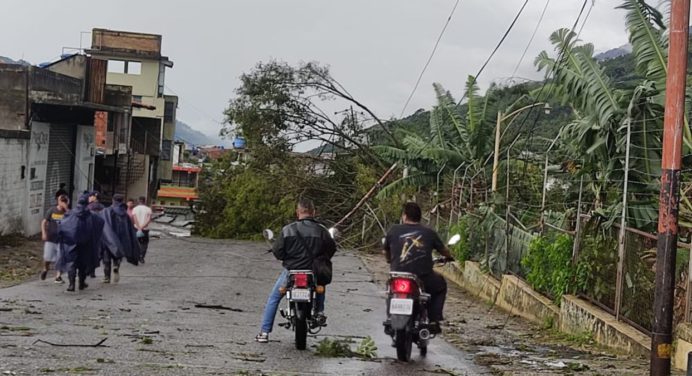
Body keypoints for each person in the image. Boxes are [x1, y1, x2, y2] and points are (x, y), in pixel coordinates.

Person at [255, 198, 337, 343]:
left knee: (274, 298)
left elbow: (278, 252)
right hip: (313, 272)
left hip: (291, 271)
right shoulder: (322, 230)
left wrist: (288, 259)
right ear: (313, 212)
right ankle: (319, 311)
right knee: (321, 286)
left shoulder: (288, 230)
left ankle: (264, 333)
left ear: (298, 212)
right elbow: (331, 250)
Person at [383, 202, 453, 334]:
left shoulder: (393, 230)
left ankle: (390, 317)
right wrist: (449, 257)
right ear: (420, 217)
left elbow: (385, 251)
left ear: (404, 216)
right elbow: (443, 250)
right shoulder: (429, 232)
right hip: (422, 277)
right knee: (440, 286)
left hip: (397, 274)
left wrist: (389, 260)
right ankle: (433, 320)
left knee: (391, 292)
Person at [56, 193, 104, 292]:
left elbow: (62, 226)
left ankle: (71, 285)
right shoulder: (92, 215)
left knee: (71, 263)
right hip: (86, 243)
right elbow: (101, 222)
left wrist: (62, 237)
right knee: (83, 263)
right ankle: (81, 283)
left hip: (71, 242)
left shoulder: (70, 214)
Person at [99, 194, 140, 283]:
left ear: (113, 200)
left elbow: (101, 223)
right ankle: (116, 266)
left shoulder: (106, 211)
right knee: (118, 254)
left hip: (108, 237)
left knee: (106, 258)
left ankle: (107, 277)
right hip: (121, 238)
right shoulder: (125, 214)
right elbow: (130, 228)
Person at [40, 194, 69, 284]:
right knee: (47, 257)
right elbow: (44, 221)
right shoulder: (52, 210)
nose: (63, 203)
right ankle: (45, 269)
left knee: (60, 258)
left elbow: (72, 219)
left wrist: (66, 208)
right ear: (58, 201)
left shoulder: (67, 212)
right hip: (50, 237)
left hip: (61, 239)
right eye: (61, 201)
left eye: (65, 201)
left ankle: (58, 276)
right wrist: (44, 233)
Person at [132, 196, 153, 264]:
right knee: (144, 244)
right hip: (145, 229)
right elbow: (149, 220)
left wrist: (138, 227)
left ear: (138, 201)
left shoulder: (135, 209)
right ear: (145, 201)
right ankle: (141, 256)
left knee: (136, 243)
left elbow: (134, 219)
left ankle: (135, 257)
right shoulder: (148, 209)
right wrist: (142, 227)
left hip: (136, 228)